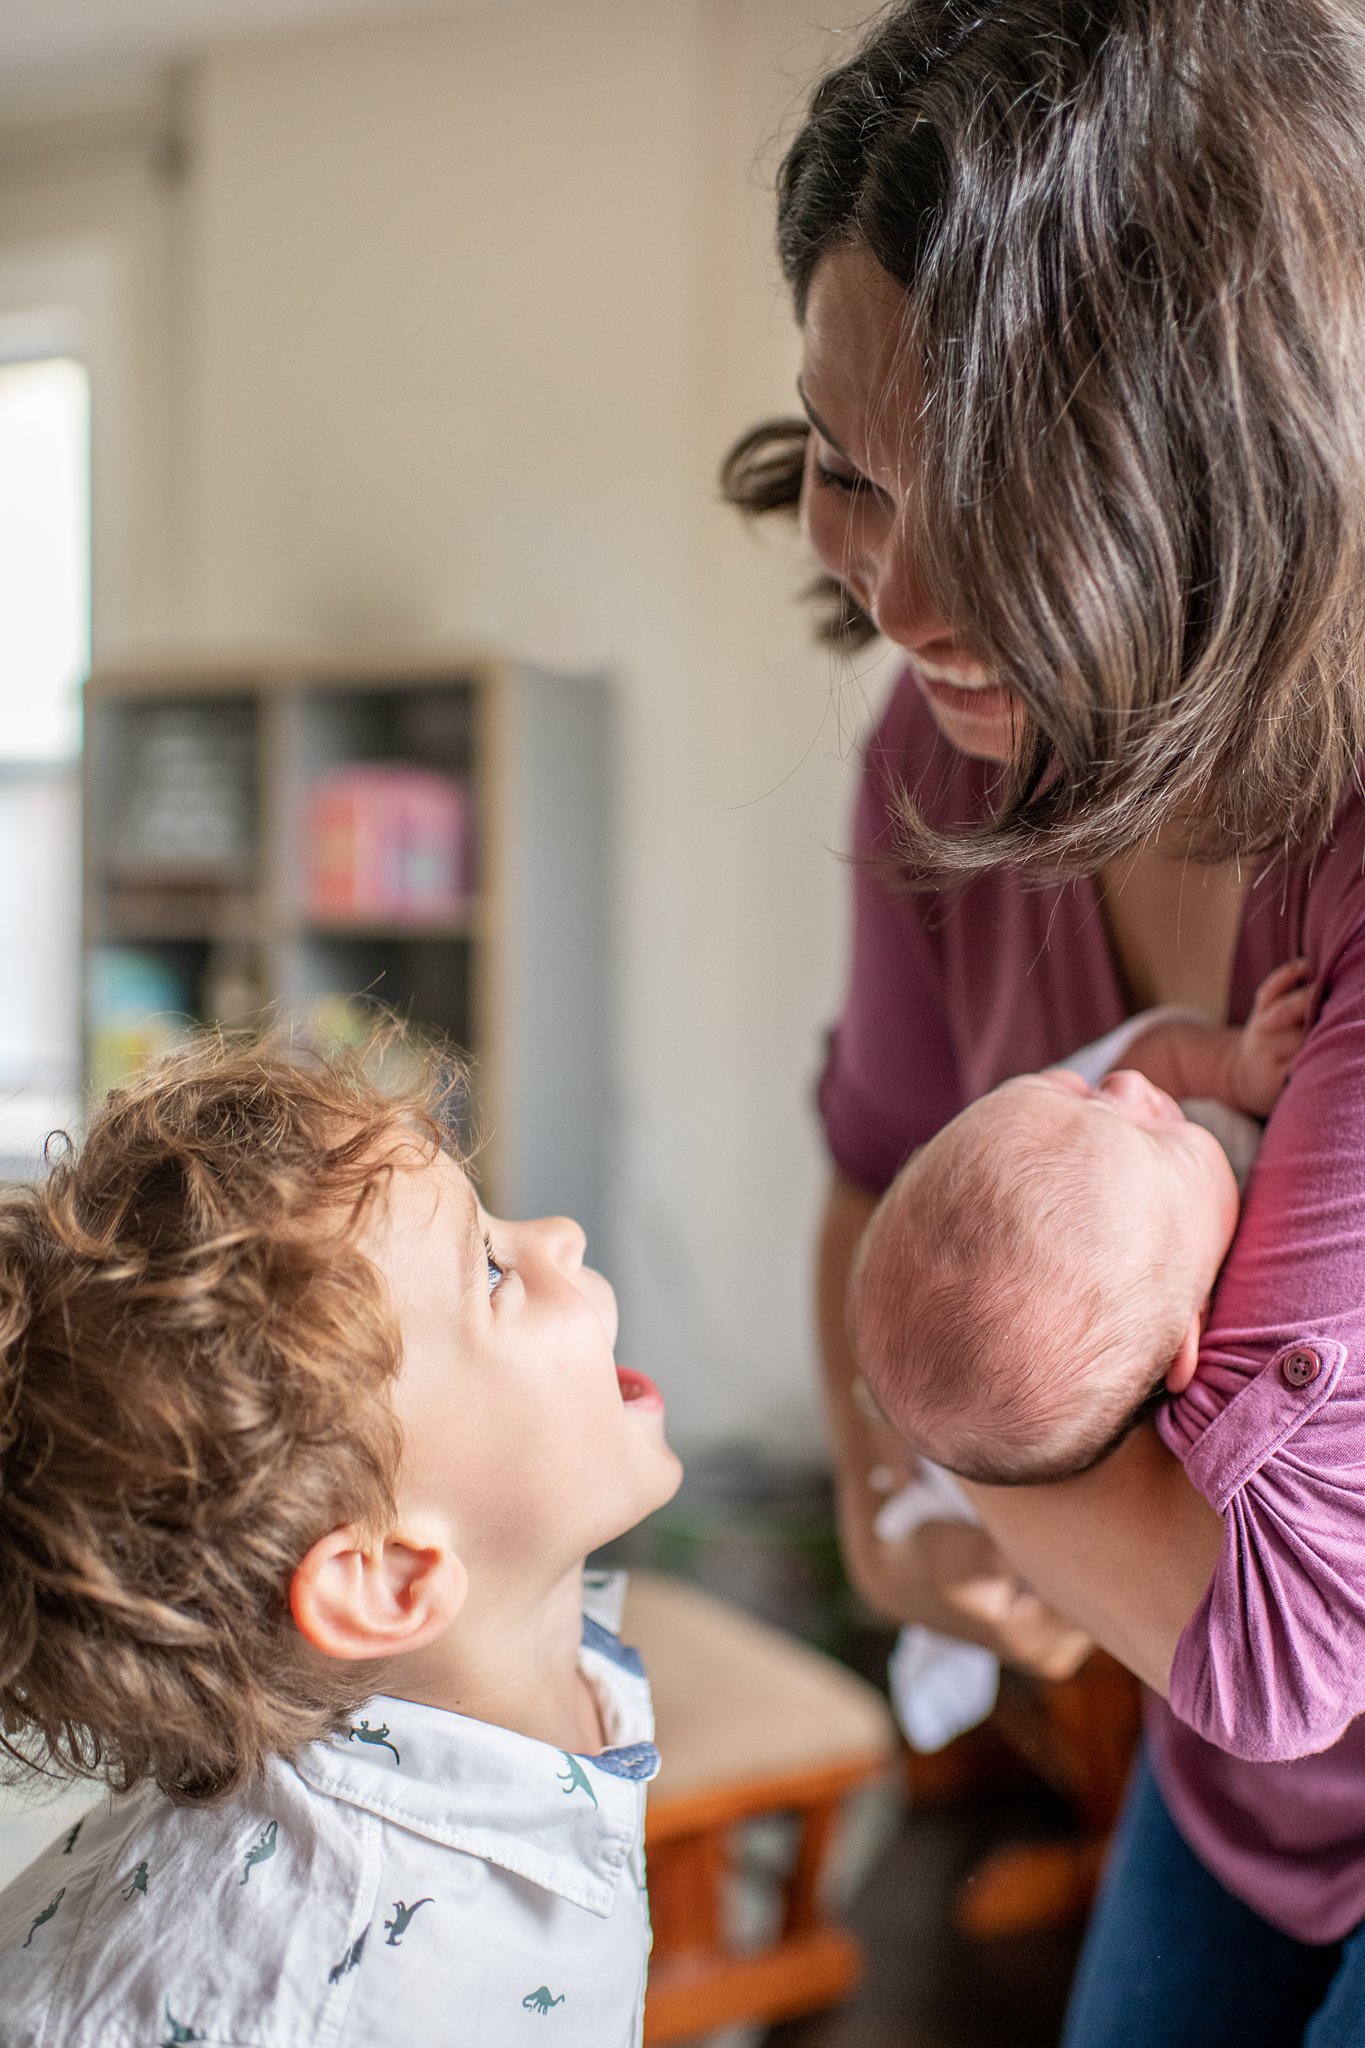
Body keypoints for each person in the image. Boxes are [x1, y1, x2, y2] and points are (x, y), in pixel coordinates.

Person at [724, 2, 1365, 2040]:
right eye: (846, 465)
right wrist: (872, 1503)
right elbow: (868, 1191)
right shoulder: (935, 766)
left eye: (990, 493)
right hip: (1233, 1787)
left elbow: (1275, 1630)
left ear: (1219, 461)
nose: (900, 597)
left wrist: (954, 1446)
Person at [0, 1028, 681, 2047]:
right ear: (387, 1576)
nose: (562, 1234)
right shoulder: (335, 2000)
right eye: (491, 1270)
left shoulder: (528, 1641)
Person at [851, 962, 1309, 1485]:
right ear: (1189, 1336)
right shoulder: (1205, 1403)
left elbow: (1149, 1057)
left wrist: (1233, 1069)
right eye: (1157, 1138)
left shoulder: (1064, 1144)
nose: (1131, 1085)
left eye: (1072, 1089)